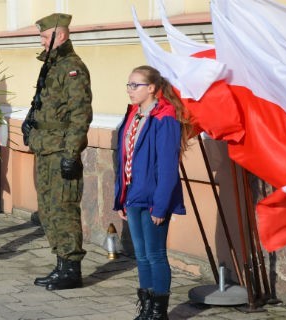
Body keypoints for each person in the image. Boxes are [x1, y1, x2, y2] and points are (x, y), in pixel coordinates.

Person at [114, 65, 190, 320]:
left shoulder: (165, 117)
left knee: (156, 255)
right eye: (128, 84)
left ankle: (159, 313)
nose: (130, 90)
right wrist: (122, 197)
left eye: (135, 85)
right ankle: (146, 309)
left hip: (153, 199)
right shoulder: (134, 114)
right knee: (142, 255)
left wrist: (160, 206)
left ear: (152, 88)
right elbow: (125, 157)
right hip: (133, 195)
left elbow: (168, 166)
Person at [28, 13, 93, 291]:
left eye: (45, 36)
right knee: (47, 209)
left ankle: (71, 268)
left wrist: (71, 153)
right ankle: (61, 263)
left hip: (61, 149)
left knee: (64, 209)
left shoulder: (72, 68)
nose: (42, 42)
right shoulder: (51, 66)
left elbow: (81, 114)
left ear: (60, 36)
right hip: (44, 147)